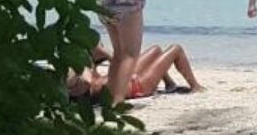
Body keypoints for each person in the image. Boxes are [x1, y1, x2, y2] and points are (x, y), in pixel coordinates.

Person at [68, 43, 203, 101]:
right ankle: (195, 87)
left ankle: (169, 84)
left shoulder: (85, 82)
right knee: (176, 49)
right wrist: (104, 52)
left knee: (156, 50)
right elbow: (114, 59)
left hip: (124, 78)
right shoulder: (88, 82)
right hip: (138, 85)